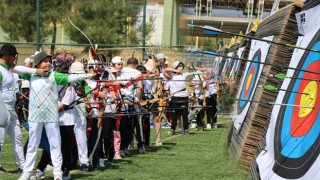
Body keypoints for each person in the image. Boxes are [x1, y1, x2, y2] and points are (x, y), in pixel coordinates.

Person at [16, 51, 95, 180]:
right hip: (35, 116)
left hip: (51, 117)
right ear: (38, 63)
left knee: (55, 144)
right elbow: (16, 68)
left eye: (49, 61)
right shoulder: (31, 75)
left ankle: (57, 173)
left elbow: (71, 78)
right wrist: (35, 72)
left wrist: (89, 75)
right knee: (32, 145)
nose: (48, 63)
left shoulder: (54, 75)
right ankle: (27, 172)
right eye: (44, 61)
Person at [0, 44, 25, 173]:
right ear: (6, 55)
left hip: (11, 109)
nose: (15, 57)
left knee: (18, 137)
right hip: (1, 110)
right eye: (14, 55)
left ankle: (23, 166)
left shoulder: (9, 69)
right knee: (0, 140)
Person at [166, 61, 201, 135]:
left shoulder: (184, 75)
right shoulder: (171, 75)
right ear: (175, 67)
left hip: (184, 97)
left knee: (185, 115)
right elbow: (165, 70)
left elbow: (195, 73)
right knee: (174, 115)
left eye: (181, 66)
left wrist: (195, 71)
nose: (181, 67)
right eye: (179, 66)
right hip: (175, 98)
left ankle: (186, 129)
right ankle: (172, 129)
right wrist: (175, 71)